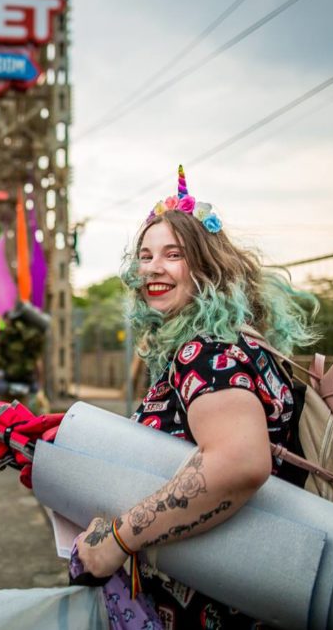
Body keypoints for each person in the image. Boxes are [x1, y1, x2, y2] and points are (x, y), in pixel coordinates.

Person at [75, 165, 318, 629]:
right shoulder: (237, 342)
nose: (153, 268)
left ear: (207, 266)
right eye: (145, 256)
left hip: (217, 603)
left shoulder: (206, 353)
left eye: (174, 254)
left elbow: (238, 463)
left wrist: (118, 541)